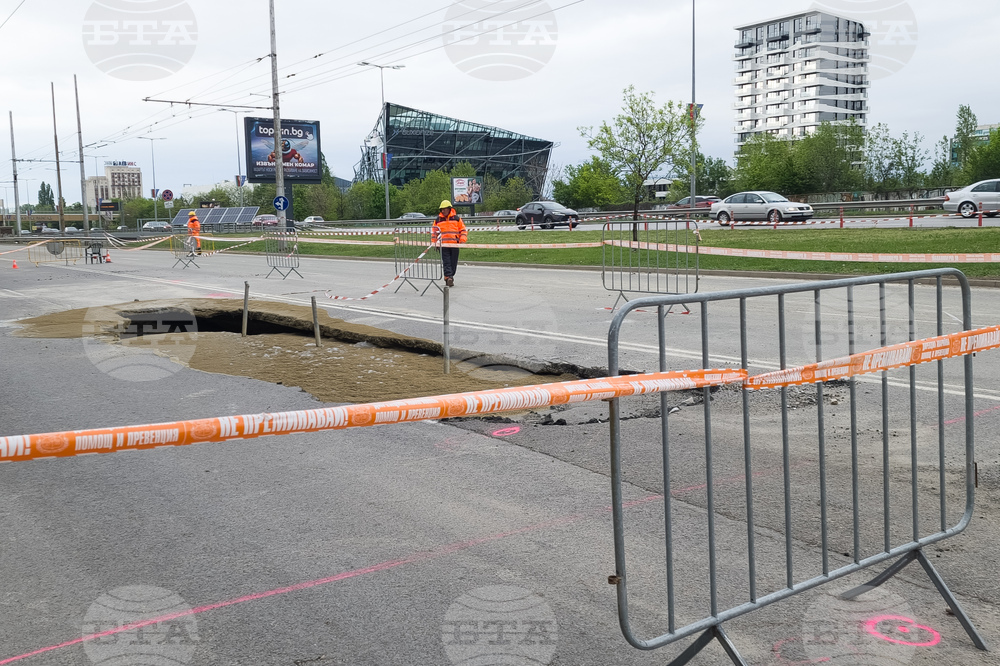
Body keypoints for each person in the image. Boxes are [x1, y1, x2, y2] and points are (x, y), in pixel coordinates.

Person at [432, 200, 467, 287]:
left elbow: (462, 230)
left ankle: (449, 276)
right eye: (442, 209)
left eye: (445, 209)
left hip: (454, 244)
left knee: (453, 262)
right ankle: (449, 278)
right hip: (443, 245)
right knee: (446, 262)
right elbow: (434, 233)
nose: (444, 211)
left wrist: (462, 240)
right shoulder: (438, 220)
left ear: (449, 209)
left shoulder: (457, 219)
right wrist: (435, 243)